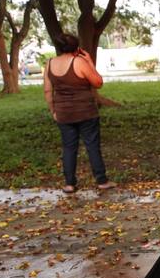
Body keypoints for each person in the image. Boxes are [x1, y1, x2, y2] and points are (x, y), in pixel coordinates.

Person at [43, 33, 115, 193]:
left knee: (69, 147)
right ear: (76, 47)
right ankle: (101, 181)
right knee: (92, 146)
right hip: (86, 112)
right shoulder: (79, 62)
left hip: (63, 113)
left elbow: (48, 90)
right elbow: (98, 83)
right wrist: (89, 61)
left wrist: (53, 110)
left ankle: (69, 184)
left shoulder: (49, 64)